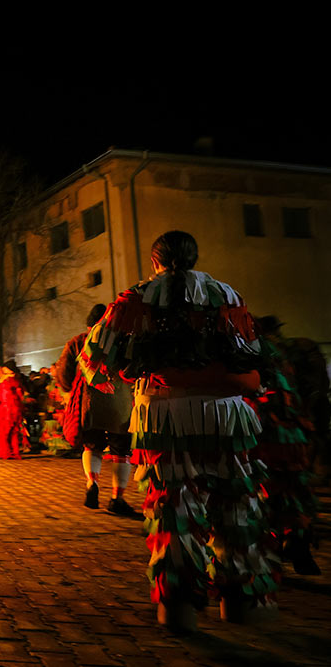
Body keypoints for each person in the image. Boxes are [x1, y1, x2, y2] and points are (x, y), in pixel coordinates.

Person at [78, 230, 274, 631]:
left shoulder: (136, 298)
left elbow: (95, 357)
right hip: (225, 413)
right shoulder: (226, 294)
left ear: (155, 261)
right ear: (194, 256)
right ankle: (240, 604)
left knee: (174, 509)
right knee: (236, 502)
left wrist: (121, 377)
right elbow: (255, 352)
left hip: (164, 415)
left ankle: (179, 609)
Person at [55, 304, 138, 517]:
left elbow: (63, 373)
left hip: (88, 401)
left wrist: (67, 390)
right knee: (121, 449)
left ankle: (92, 484)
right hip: (120, 401)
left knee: (92, 444)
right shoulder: (122, 341)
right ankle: (116, 498)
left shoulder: (78, 342)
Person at [253, 316, 320, 575]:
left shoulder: (257, 351)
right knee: (296, 490)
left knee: (268, 491)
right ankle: (300, 546)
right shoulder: (293, 350)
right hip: (296, 431)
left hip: (269, 432)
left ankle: (274, 551)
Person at [0, 366, 26, 460]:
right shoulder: (16, 381)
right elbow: (21, 395)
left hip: (6, 409)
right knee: (13, 432)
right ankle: (14, 451)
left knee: (4, 431)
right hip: (15, 408)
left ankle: (5, 452)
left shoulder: (7, 382)